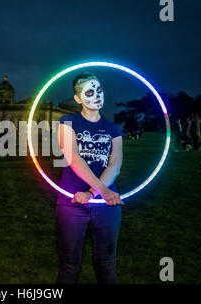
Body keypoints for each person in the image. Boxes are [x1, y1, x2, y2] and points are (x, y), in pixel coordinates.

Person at [56, 72, 124, 284]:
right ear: (78, 98)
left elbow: (115, 165)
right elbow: (73, 157)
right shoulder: (67, 121)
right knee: (69, 266)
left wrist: (93, 193)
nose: (96, 95)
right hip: (71, 203)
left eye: (99, 90)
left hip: (106, 205)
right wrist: (102, 190)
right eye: (89, 91)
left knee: (106, 264)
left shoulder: (114, 129)